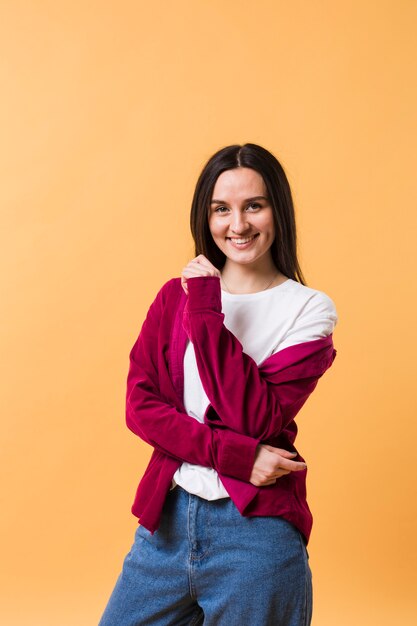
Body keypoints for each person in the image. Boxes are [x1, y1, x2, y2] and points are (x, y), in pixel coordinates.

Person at [98, 143, 338, 626]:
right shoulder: (174, 296)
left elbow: (255, 417)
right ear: (204, 217)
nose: (238, 225)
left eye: (254, 205)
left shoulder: (309, 310)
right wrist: (239, 457)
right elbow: (141, 408)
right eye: (221, 209)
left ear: (278, 210)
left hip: (255, 534)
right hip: (165, 523)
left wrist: (207, 309)